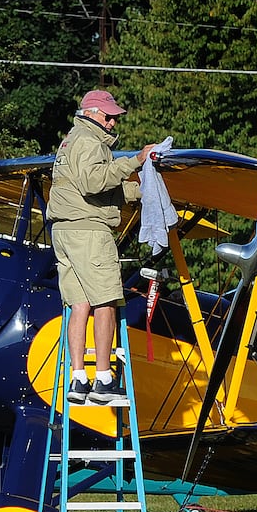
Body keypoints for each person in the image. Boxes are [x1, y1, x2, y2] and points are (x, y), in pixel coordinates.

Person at [48, 89, 153, 405]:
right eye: (108, 116)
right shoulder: (90, 142)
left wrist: (138, 191)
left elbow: (87, 190)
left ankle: (78, 379)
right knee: (106, 300)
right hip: (89, 235)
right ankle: (104, 380)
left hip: (64, 231)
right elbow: (95, 183)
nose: (112, 123)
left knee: (79, 305)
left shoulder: (70, 141)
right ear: (92, 113)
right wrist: (136, 161)